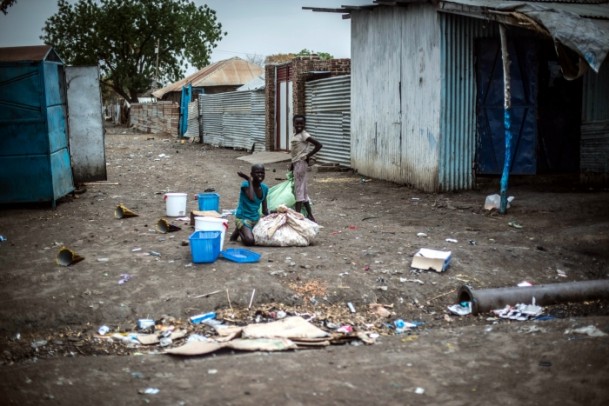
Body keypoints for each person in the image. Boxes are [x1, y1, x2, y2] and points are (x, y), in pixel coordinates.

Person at [290, 114, 322, 222]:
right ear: (293, 124)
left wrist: (308, 155)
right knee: (302, 190)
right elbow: (295, 151)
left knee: (299, 190)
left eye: (301, 123)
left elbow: (318, 145)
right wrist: (291, 164)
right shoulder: (296, 135)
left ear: (304, 124)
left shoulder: (304, 135)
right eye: (297, 123)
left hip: (301, 163)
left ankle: (297, 216)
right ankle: (310, 216)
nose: (299, 125)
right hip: (297, 163)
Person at [229, 164, 269, 246]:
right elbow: (251, 197)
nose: (260, 175)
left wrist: (275, 214)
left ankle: (239, 230)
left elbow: (264, 210)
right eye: (257, 172)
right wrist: (249, 180)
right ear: (252, 174)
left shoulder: (264, 188)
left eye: (262, 172)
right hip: (243, 218)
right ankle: (239, 229)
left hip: (255, 219)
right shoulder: (245, 185)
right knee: (250, 241)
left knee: (266, 237)